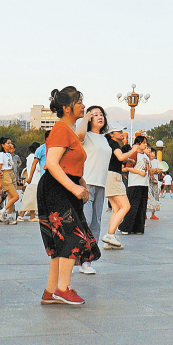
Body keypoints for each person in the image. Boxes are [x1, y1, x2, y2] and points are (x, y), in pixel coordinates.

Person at [37, 87, 100, 305]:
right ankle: (63, 289)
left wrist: (79, 181)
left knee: (60, 241)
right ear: (66, 108)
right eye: (79, 102)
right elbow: (52, 164)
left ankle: (50, 291)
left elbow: (68, 161)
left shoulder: (70, 130)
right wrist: (73, 187)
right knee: (71, 237)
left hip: (65, 185)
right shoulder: (61, 129)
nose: (83, 105)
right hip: (57, 188)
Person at [77, 105, 113, 274]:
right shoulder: (86, 136)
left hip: (101, 184)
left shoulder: (104, 139)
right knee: (86, 221)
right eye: (95, 114)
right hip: (87, 183)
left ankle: (88, 260)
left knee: (96, 223)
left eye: (101, 114)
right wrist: (85, 117)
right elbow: (80, 134)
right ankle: (80, 259)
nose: (99, 117)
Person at [118, 136, 150, 235]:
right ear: (138, 144)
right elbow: (128, 167)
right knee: (133, 206)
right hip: (135, 183)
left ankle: (138, 228)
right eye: (143, 143)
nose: (145, 145)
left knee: (142, 206)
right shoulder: (134, 154)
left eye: (146, 143)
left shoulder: (145, 155)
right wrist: (139, 172)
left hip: (144, 183)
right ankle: (125, 227)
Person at [0, 138, 19, 223]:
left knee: (11, 197)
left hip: (11, 174)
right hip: (5, 175)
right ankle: (2, 211)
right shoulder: (1, 154)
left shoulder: (9, 154)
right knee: (16, 196)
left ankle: (9, 216)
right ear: (3, 145)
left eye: (10, 143)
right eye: (8, 143)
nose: (10, 145)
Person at [17, 142, 41, 223]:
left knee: (32, 200)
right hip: (35, 180)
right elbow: (38, 168)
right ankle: (21, 215)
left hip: (32, 181)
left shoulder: (29, 157)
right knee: (29, 200)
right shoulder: (34, 157)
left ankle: (32, 216)